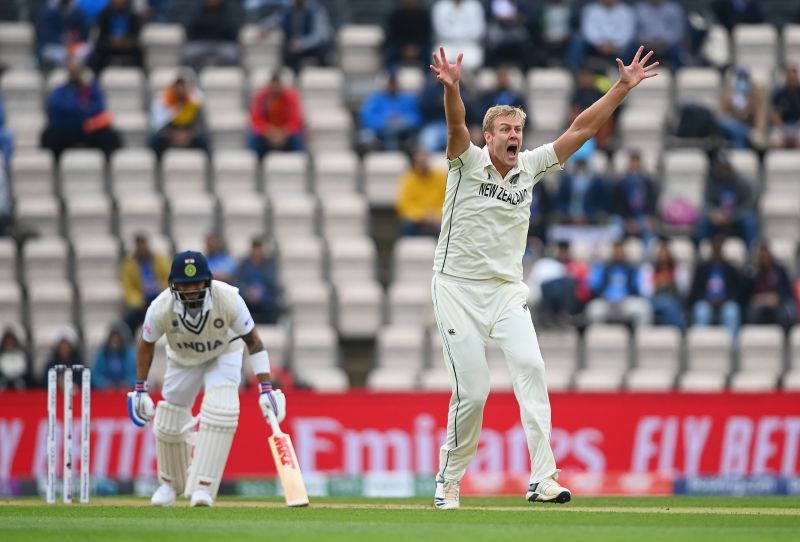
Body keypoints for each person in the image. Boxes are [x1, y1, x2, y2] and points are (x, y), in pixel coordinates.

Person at [428, 45, 659, 508]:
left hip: (507, 291)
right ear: (488, 136)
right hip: (456, 287)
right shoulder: (466, 162)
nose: (515, 136)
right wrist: (453, 88)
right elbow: (456, 125)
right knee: (473, 392)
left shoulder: (530, 166)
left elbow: (583, 128)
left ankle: (542, 478)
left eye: (519, 129)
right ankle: (449, 479)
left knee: (532, 368)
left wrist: (621, 88)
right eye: (506, 130)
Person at [126, 250, 286, 507]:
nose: (190, 290)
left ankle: (203, 488)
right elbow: (145, 344)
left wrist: (266, 387)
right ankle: (169, 484)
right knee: (169, 418)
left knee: (222, 409)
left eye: (196, 283)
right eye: (185, 284)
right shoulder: (160, 307)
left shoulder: (229, 298)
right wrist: (140, 389)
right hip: (182, 359)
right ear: (173, 284)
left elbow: (253, 341)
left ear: (208, 282)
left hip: (224, 353)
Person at [40, 59, 122, 161]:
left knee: (111, 137)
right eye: (73, 71)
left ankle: (108, 166)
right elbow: (55, 108)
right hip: (66, 130)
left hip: (89, 129)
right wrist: (83, 109)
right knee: (48, 137)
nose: (75, 73)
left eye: (78, 70)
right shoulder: (60, 90)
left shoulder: (91, 89)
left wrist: (76, 111)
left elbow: (99, 108)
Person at [585, 240, 652, 327]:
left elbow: (637, 289)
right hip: (607, 303)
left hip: (626, 303)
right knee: (593, 309)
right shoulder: (604, 268)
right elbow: (595, 288)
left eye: (621, 251)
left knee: (643, 308)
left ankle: (641, 337)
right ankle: (597, 336)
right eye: (616, 251)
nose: (618, 254)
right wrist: (604, 296)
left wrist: (627, 297)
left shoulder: (632, 269)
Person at [695, 156, 758, 249]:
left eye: (726, 168)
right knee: (702, 222)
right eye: (721, 169)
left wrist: (734, 215)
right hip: (718, 219)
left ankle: (752, 252)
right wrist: (714, 214)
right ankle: (701, 251)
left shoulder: (742, 183)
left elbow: (749, 204)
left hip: (736, 219)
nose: (723, 172)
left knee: (750, 221)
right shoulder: (711, 184)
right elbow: (706, 203)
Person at [688, 235, 743, 338]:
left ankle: (732, 348)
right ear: (712, 248)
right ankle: (700, 344)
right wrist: (707, 299)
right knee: (701, 311)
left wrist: (724, 299)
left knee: (732, 311)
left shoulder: (730, 269)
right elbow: (695, 292)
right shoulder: (702, 269)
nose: (717, 248)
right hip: (706, 302)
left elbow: (737, 291)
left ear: (722, 248)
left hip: (726, 302)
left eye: (719, 246)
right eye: (715, 246)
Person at [260, 0, 333, 73]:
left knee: (323, 49)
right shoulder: (287, 9)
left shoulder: (316, 10)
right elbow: (275, 20)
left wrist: (302, 43)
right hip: (293, 48)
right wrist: (264, 28)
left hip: (313, 48)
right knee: (287, 53)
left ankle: (322, 76)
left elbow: (319, 35)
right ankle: (292, 77)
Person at [358, 73, 422, 152]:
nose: (392, 86)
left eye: (394, 83)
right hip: (378, 133)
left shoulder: (407, 98)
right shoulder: (375, 99)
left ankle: (394, 156)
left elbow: (416, 118)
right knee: (366, 137)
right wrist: (386, 120)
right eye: (390, 83)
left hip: (403, 133)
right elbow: (366, 118)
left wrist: (400, 120)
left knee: (395, 133)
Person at [121, 233, 171, 334]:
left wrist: (162, 286)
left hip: (160, 297)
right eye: (139, 245)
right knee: (130, 320)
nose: (142, 248)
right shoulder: (129, 265)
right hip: (143, 303)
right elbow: (128, 289)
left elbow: (170, 277)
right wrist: (139, 300)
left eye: (144, 244)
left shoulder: (159, 260)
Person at [248, 73, 305, 159]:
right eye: (273, 87)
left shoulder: (291, 97)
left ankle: (298, 163)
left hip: (285, 134)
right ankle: (255, 165)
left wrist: (284, 131)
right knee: (254, 138)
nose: (275, 90)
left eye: (277, 87)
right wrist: (268, 130)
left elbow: (296, 119)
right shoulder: (261, 97)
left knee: (297, 138)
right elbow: (255, 119)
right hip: (267, 134)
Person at [149, 76, 209, 159]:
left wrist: (188, 135)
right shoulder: (164, 104)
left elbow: (199, 126)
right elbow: (159, 126)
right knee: (154, 141)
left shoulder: (194, 103)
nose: (180, 91)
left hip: (189, 137)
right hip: (170, 137)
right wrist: (173, 135)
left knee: (205, 142)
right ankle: (157, 166)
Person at [568, 0, 635, 71]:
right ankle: (576, 71)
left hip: (617, 47)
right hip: (595, 46)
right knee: (577, 41)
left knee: (633, 46)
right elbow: (588, 30)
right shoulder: (590, 9)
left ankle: (625, 72)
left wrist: (614, 45)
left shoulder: (626, 11)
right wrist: (600, 44)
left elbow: (627, 32)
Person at [610, 150, 659, 246]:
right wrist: (627, 220)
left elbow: (652, 202)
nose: (635, 165)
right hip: (625, 217)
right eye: (633, 162)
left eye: (637, 162)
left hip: (642, 216)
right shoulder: (621, 182)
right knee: (615, 226)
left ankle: (647, 257)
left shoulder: (648, 182)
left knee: (650, 230)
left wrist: (650, 216)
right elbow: (617, 204)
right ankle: (619, 250)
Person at [396, 148, 447, 237]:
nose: (422, 163)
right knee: (407, 226)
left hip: (437, 219)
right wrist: (423, 216)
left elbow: (447, 201)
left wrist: (436, 215)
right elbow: (404, 206)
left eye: (424, 160)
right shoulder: (408, 179)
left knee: (444, 229)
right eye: (419, 161)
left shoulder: (441, 177)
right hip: (416, 221)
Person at [639, 239, 688, 330]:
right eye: (660, 254)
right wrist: (657, 283)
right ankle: (679, 330)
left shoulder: (678, 269)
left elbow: (684, 290)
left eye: (665, 254)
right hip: (653, 301)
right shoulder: (649, 269)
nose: (663, 257)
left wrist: (669, 282)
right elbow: (645, 292)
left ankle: (674, 331)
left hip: (675, 300)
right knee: (667, 302)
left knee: (670, 304)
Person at [744, 243, 796, 331]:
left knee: (784, 314)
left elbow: (786, 291)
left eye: (766, 256)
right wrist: (760, 299)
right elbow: (747, 295)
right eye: (761, 257)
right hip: (758, 305)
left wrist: (777, 298)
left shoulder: (780, 271)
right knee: (751, 315)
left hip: (777, 304)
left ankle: (785, 341)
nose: (764, 259)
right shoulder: (752, 274)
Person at [234, 238, 283, 324]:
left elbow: (273, 284)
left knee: (273, 307)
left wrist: (261, 291)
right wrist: (247, 291)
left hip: (265, 299)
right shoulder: (243, 265)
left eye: (259, 250)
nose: (257, 253)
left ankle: (269, 330)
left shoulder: (270, 265)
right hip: (247, 298)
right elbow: (238, 282)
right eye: (255, 251)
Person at [183, 0, 241, 71]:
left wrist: (210, 26)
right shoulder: (196, 8)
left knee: (232, 54)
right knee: (189, 53)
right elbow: (191, 28)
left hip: (223, 42)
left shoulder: (229, 8)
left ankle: (224, 76)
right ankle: (195, 76)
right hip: (201, 42)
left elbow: (232, 29)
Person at [718, 66, 767, 149]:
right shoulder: (728, 92)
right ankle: (747, 133)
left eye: (744, 79)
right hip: (731, 126)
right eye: (739, 79)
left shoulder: (755, 93)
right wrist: (732, 98)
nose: (742, 81)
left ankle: (739, 156)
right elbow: (723, 114)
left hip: (749, 125)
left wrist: (759, 131)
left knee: (738, 138)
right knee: (724, 122)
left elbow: (760, 114)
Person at [89, 0, 144, 73]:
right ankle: (96, 75)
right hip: (109, 45)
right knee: (97, 52)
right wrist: (112, 41)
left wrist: (126, 42)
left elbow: (136, 34)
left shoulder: (132, 15)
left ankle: (141, 74)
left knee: (139, 51)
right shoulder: (104, 14)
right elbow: (102, 34)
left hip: (127, 45)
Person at [431, 0, 486, 71]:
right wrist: (464, 32)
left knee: (473, 60)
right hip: (446, 44)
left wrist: (454, 32)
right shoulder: (440, 6)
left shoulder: (475, 6)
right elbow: (440, 32)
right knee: (439, 59)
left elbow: (478, 31)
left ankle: (464, 80)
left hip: (469, 45)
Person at [37, 0, 92, 69]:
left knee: (87, 49)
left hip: (73, 45)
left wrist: (74, 40)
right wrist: (63, 41)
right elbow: (46, 34)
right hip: (55, 46)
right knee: (50, 52)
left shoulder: (77, 10)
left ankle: (76, 71)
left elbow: (84, 31)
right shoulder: (49, 11)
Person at [553, 157, 608, 225]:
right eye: (579, 167)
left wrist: (588, 214)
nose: (581, 170)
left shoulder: (596, 183)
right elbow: (559, 202)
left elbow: (601, 203)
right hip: (568, 216)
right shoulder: (566, 181)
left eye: (583, 167)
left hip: (590, 217)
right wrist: (569, 214)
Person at [383, 0, 432, 70]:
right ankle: (391, 76)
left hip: (419, 47)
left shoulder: (424, 14)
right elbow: (392, 35)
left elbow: (426, 34)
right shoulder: (394, 14)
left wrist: (416, 48)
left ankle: (429, 77)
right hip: (399, 46)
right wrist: (404, 48)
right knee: (389, 52)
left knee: (429, 54)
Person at [91, 323, 136, 389]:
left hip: (125, 392)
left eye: (118, 340)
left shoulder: (131, 355)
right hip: (106, 393)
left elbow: (137, 375)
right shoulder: (102, 354)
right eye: (113, 339)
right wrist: (103, 383)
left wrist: (128, 383)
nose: (115, 342)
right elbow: (95, 374)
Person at [769, 65, 800, 149]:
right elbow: (774, 112)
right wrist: (779, 124)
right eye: (790, 78)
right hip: (782, 126)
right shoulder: (780, 93)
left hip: (797, 127)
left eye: (794, 78)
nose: (792, 81)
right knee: (775, 141)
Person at [0, 323, 29, 390]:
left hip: (19, 383)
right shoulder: (1, 355)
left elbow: (25, 372)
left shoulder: (22, 355)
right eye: (7, 341)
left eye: (11, 340)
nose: (9, 342)